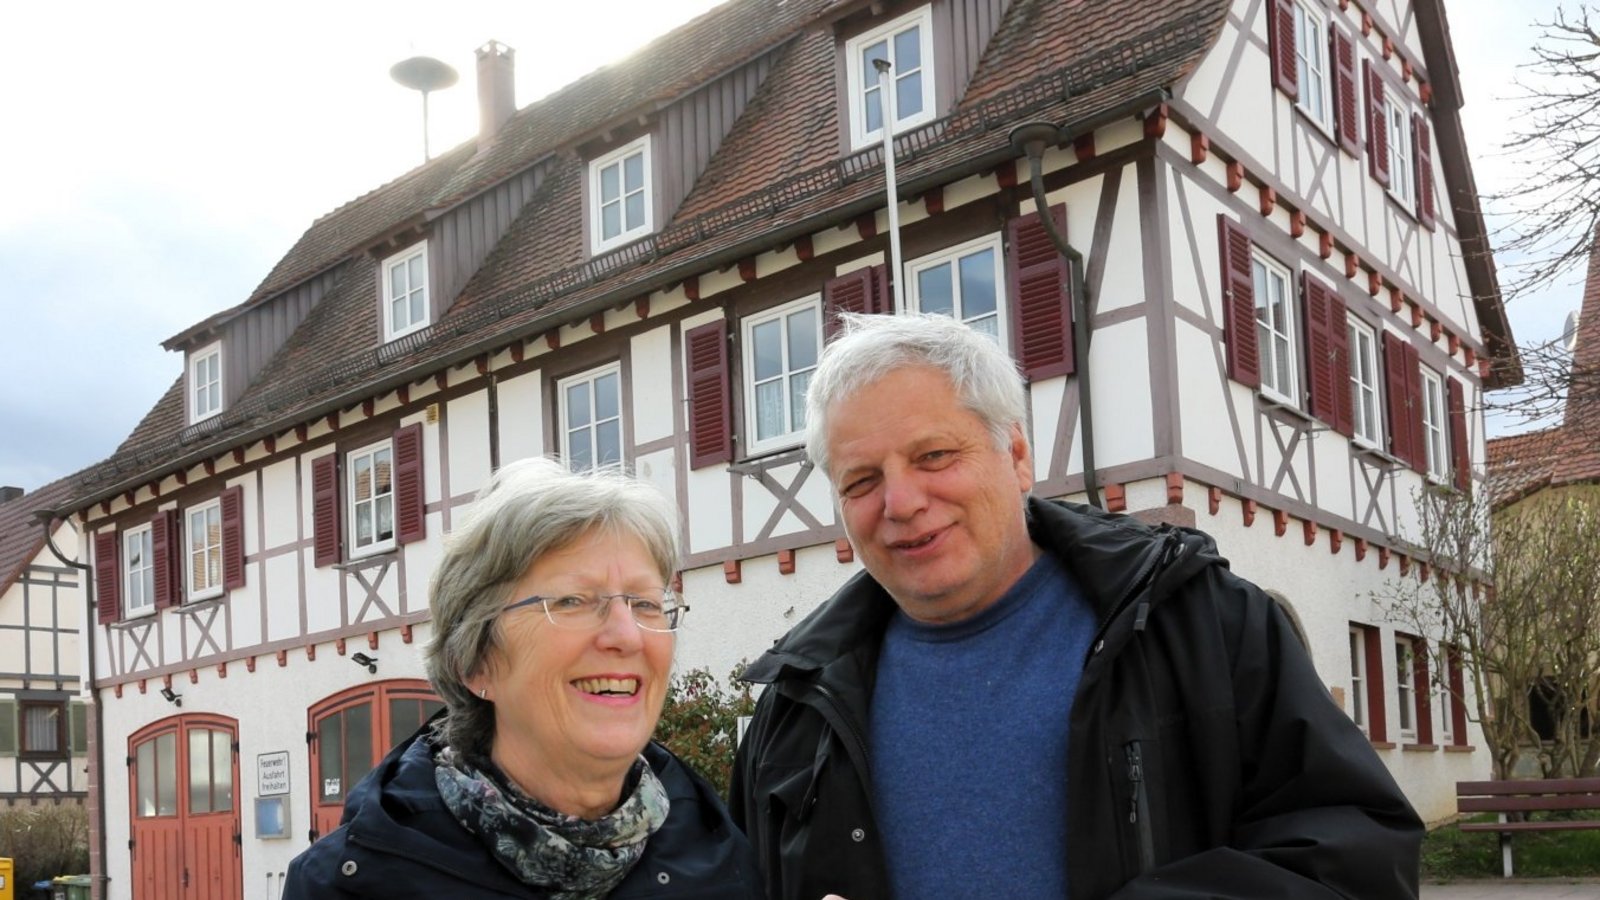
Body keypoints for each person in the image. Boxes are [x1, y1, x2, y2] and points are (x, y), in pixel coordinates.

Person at [729, 312, 1423, 899]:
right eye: (861, 480)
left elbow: (1358, 857)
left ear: (1018, 455)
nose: (901, 503)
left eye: (935, 456)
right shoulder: (794, 709)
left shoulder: (1198, 624)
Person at [286, 457, 762, 899]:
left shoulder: (723, 860)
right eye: (572, 600)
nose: (628, 636)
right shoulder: (347, 884)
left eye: (645, 603)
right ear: (475, 663)